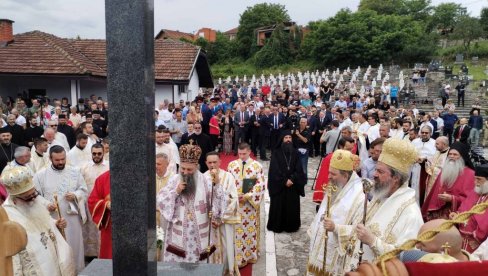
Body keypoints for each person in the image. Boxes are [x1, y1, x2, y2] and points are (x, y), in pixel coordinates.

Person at [340, 138, 423, 273]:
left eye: (380, 171)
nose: (374, 174)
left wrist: (372, 241)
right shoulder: (381, 196)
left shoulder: (411, 214)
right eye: (376, 170)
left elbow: (406, 259)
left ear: (396, 178)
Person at [1, 166, 75, 275]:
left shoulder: (34, 201)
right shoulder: (6, 217)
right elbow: (11, 255)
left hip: (52, 260)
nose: (34, 199)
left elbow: (43, 221)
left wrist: (56, 224)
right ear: (15, 199)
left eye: (34, 194)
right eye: (28, 197)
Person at [157, 144, 225, 263]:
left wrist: (217, 185)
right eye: (183, 168)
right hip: (178, 231)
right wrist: (176, 191)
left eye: (189, 170)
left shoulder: (205, 181)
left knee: (197, 265)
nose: (185, 172)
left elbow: (218, 202)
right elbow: (161, 199)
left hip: (197, 233)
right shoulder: (174, 180)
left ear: (196, 167)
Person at [307, 149, 364, 275]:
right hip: (319, 250)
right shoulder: (336, 185)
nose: (328, 177)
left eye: (333, 174)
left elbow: (359, 233)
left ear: (345, 175)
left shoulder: (360, 197)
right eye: (329, 172)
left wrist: (336, 228)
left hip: (336, 259)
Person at [34, 145, 88, 272]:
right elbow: (35, 196)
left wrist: (75, 195)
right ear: (50, 158)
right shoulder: (40, 175)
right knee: (56, 250)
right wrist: (46, 204)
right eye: (57, 160)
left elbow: (84, 191)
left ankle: (77, 272)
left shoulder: (75, 172)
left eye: (63, 159)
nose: (61, 162)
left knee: (74, 247)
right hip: (52, 219)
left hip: (72, 219)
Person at [227, 142, 265, 268]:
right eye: (239, 154)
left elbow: (261, 184)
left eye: (244, 154)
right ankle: (236, 255)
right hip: (235, 203)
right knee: (236, 229)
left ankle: (249, 254)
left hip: (249, 205)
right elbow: (227, 182)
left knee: (249, 230)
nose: (242, 156)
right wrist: (232, 196)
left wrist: (248, 195)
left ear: (249, 152)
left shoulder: (257, 166)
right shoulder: (232, 165)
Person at [204, 152, 240, 275]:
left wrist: (221, 218)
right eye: (210, 162)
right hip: (209, 222)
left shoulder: (228, 177)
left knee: (226, 245)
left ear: (220, 162)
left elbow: (233, 199)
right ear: (206, 163)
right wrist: (210, 218)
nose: (212, 165)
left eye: (215, 162)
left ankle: (225, 270)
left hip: (224, 221)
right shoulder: (203, 178)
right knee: (209, 247)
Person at [422, 142, 475, 221]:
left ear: (462, 157)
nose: (451, 156)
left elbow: (471, 200)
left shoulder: (470, 174)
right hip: (438, 210)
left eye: (455, 154)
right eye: (450, 154)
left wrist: (452, 199)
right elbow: (435, 192)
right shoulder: (445, 170)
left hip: (455, 214)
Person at [267, 130, 306, 233]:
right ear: (282, 139)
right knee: (278, 206)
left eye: (290, 138)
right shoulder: (276, 153)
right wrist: (284, 180)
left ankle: (291, 226)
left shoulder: (296, 152)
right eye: (286, 138)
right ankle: (277, 225)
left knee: (291, 207)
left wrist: (292, 179)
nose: (288, 140)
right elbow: (274, 170)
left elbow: (299, 169)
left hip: (292, 185)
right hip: (279, 185)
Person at [81, 143, 109, 260]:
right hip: (91, 203)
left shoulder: (109, 166)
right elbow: (81, 185)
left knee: (102, 232)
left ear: (104, 153)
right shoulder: (84, 167)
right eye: (94, 154)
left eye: (99, 154)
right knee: (90, 230)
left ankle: (102, 254)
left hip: (106, 206)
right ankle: (91, 254)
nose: (96, 156)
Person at [453, 164, 488, 253]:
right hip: (462, 239)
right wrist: (457, 215)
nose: (476, 182)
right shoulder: (476, 191)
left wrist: (478, 239)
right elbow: (464, 207)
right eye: (475, 178)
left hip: (478, 243)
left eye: (479, 179)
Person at [87, 170, 112, 259]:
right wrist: (106, 204)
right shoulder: (102, 179)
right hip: (110, 225)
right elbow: (92, 201)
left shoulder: (134, 176)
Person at [411, 125, 436, 205]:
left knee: (423, 189)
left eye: (426, 133)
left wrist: (425, 159)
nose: (424, 134)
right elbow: (410, 152)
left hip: (426, 169)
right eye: (422, 132)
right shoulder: (415, 141)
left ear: (430, 133)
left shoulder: (434, 143)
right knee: (414, 186)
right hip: (415, 167)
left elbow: (436, 156)